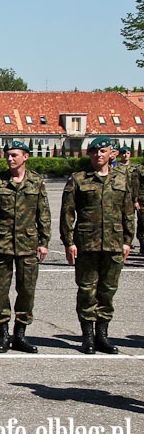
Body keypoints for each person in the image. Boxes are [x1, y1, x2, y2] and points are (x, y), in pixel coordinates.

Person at [60, 136, 134, 354]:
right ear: (89, 154)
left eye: (103, 151)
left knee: (108, 291)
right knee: (86, 290)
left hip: (114, 243)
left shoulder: (121, 180)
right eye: (94, 151)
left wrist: (128, 241)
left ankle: (102, 335)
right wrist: (69, 242)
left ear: (111, 153)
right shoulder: (79, 179)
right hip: (87, 244)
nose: (98, 155)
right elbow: (67, 213)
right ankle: (88, 337)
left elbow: (128, 212)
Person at [0, 141, 50, 353]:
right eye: (8, 155)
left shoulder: (36, 182)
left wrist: (45, 242)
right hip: (1, 245)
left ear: (25, 157)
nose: (10, 159)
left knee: (27, 290)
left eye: (14, 155)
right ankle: (3, 335)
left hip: (28, 244)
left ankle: (20, 335)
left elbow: (43, 214)